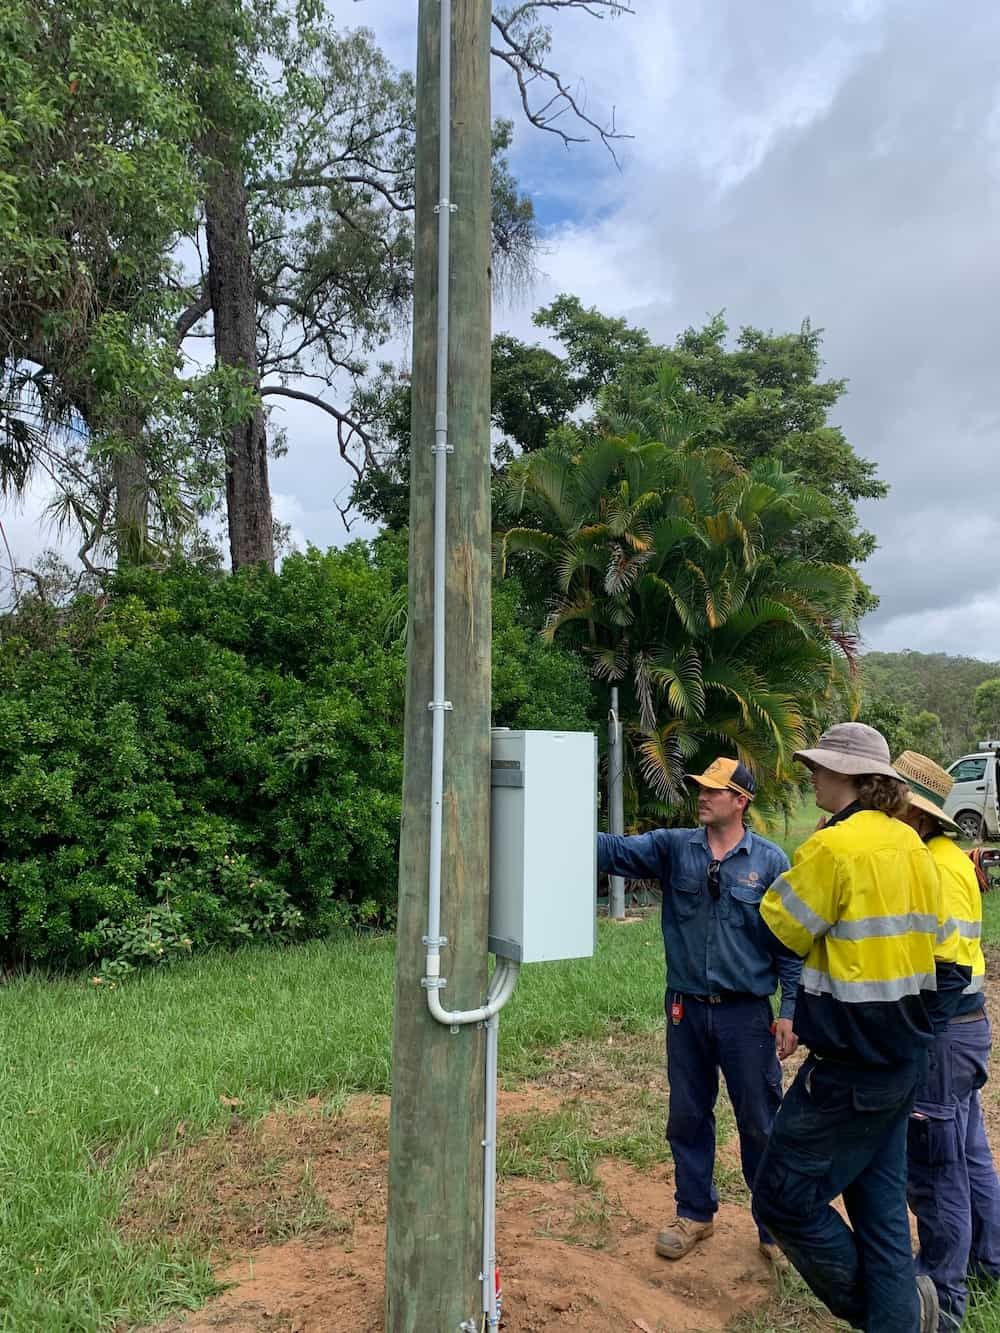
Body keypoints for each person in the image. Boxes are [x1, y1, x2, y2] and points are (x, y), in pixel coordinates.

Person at [752, 723, 958, 1333]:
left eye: (818, 767)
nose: (811, 775)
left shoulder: (834, 848)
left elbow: (779, 927)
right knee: (881, 1210)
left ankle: (885, 1315)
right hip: (902, 1062)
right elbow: (945, 960)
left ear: (846, 775)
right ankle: (908, 1318)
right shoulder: (913, 846)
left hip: (846, 1070)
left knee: (782, 1199)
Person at [597, 756, 800, 1266]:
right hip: (686, 1009)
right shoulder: (673, 848)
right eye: (700, 788)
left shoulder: (771, 863)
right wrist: (549, 816)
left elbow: (790, 945)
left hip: (747, 1014)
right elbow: (612, 851)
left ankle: (772, 1226)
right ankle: (695, 1214)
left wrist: (790, 1010)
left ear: (741, 800)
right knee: (687, 1115)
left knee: (759, 1121)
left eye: (714, 790)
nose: (702, 796)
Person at [894, 750, 1000, 1330]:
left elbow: (942, 965)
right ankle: (988, 1262)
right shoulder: (949, 858)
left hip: (944, 1032)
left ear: (916, 814)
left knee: (937, 1173)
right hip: (963, 1030)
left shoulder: (932, 868)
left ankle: (944, 1300)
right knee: (968, 1155)